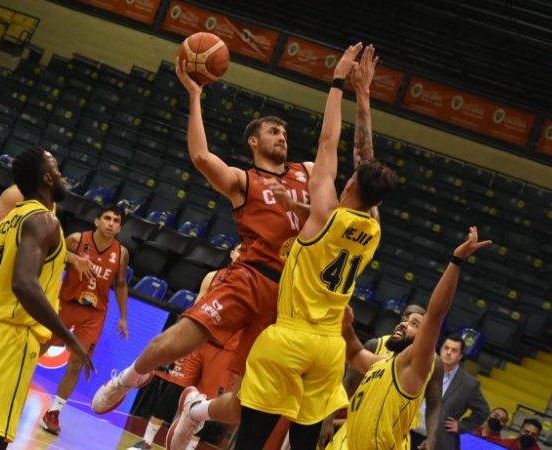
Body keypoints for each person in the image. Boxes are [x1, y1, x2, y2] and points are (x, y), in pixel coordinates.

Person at [166, 43, 395, 450]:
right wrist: (366, 96)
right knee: (304, 444)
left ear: (350, 184)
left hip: (289, 335)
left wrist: (340, 83)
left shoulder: (323, 216)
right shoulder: (372, 230)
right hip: (328, 349)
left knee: (250, 437)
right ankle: (198, 414)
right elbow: (365, 158)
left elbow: (330, 143)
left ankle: (196, 414)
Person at [91, 34, 318, 427]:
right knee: (171, 345)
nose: (281, 136)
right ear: (254, 141)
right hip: (248, 279)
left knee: (245, 404)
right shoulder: (243, 181)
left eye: (284, 132)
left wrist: (299, 206)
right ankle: (131, 377)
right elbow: (199, 155)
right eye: (272, 131)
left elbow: (333, 213)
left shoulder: (308, 172)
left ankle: (196, 411)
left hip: (289, 295)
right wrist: (195, 95)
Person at [0, 147, 94, 449]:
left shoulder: (7, 223)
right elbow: (24, 285)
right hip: (13, 343)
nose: (61, 174)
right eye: (56, 168)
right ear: (46, 178)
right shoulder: (44, 222)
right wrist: (68, 336)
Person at [327, 227, 491, 450]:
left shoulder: (413, 367)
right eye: (405, 320)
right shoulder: (382, 363)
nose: (404, 323)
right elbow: (355, 353)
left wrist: (456, 261)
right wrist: (346, 327)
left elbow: (435, 314)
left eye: (415, 324)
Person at [127, 244, 243, 450]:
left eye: (246, 251)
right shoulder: (213, 277)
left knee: (207, 406)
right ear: (232, 253)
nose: (242, 254)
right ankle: (146, 442)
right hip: (199, 343)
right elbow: (195, 310)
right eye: (239, 250)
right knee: (172, 393)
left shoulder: (249, 288)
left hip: (224, 350)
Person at [40, 204, 130, 435]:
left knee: (77, 363)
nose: (111, 223)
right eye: (107, 218)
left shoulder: (121, 254)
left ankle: (54, 412)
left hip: (94, 314)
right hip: (65, 304)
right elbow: (52, 256)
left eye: (116, 221)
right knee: (38, 348)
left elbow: (120, 284)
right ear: (97, 221)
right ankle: (12, 386)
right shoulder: (77, 240)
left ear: (119, 228)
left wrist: (123, 317)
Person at [322, 303, 443, 450]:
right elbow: (348, 382)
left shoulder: (431, 362)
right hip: (353, 432)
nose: (404, 323)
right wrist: (328, 419)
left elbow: (434, 402)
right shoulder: (377, 347)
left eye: (415, 323)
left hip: (393, 437)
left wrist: (431, 437)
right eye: (405, 317)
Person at [431, 335, 490, 450]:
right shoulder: (426, 369)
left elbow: (483, 411)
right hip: (412, 433)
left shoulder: (468, 384)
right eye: (446, 348)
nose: (448, 353)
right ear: (441, 350)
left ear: (460, 356)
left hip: (439, 442)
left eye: (454, 350)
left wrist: (462, 426)